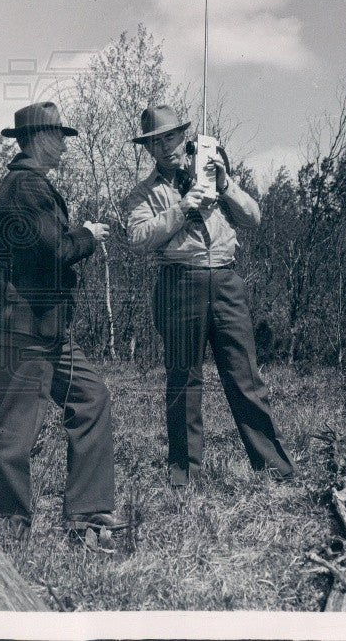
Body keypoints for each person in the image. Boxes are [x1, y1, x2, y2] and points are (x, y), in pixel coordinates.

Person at [123, 104, 295, 487]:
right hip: (179, 283)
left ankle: (275, 471)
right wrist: (183, 208)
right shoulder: (143, 193)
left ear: (183, 136)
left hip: (226, 282)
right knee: (183, 380)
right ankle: (183, 478)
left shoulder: (212, 171)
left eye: (170, 137)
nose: (165, 147)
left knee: (245, 377)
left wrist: (226, 185)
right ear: (148, 149)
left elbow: (253, 217)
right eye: (155, 142)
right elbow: (136, 239)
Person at [0, 101, 127, 549]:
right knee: (16, 433)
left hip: (46, 329)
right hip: (26, 330)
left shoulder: (30, 186)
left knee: (91, 396)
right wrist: (88, 235)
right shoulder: (25, 187)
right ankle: (9, 530)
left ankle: (86, 516)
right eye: (60, 136)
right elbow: (54, 250)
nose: (65, 144)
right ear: (39, 138)